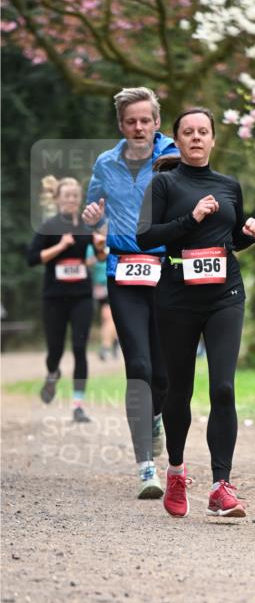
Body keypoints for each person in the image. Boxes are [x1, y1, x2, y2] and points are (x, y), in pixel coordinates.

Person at [136, 107, 255, 519]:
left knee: (223, 388)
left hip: (225, 294)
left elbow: (227, 240)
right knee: (180, 391)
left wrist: (248, 234)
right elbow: (145, 238)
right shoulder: (163, 183)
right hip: (176, 297)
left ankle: (220, 487)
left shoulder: (229, 185)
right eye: (188, 132)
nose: (195, 137)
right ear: (178, 140)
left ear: (213, 139)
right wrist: (190, 217)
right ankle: (175, 470)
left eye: (203, 131)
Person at [81, 87, 178, 499]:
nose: (138, 127)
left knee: (163, 374)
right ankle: (145, 467)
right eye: (130, 121)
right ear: (121, 125)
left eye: (145, 120)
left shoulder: (174, 158)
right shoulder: (106, 163)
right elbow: (92, 212)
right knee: (137, 365)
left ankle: (155, 416)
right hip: (123, 273)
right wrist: (93, 221)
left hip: (167, 273)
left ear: (156, 122)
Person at [27, 176, 93, 423]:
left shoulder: (87, 227)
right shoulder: (48, 226)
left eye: (75, 196)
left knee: (79, 348)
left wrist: (97, 250)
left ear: (79, 199)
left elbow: (96, 257)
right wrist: (61, 246)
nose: (71, 200)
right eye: (66, 196)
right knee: (55, 349)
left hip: (82, 297)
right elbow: (32, 258)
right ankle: (52, 373)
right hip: (54, 297)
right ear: (57, 199)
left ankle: (78, 405)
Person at [86, 231, 118, 360]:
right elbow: (87, 262)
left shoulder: (115, 241)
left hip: (114, 283)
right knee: (107, 317)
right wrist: (100, 253)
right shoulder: (92, 245)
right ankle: (115, 340)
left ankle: (105, 347)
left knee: (108, 315)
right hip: (99, 286)